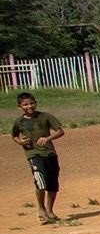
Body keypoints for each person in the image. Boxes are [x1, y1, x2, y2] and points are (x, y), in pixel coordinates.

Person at [12, 92, 64, 224]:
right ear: (19, 107)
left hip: (49, 153)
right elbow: (14, 136)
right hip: (33, 154)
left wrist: (48, 138)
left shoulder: (45, 117)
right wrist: (20, 142)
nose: (29, 106)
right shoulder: (19, 122)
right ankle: (41, 209)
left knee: (52, 183)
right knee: (40, 181)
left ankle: (49, 210)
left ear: (36, 103)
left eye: (32, 103)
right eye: (25, 104)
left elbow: (60, 131)